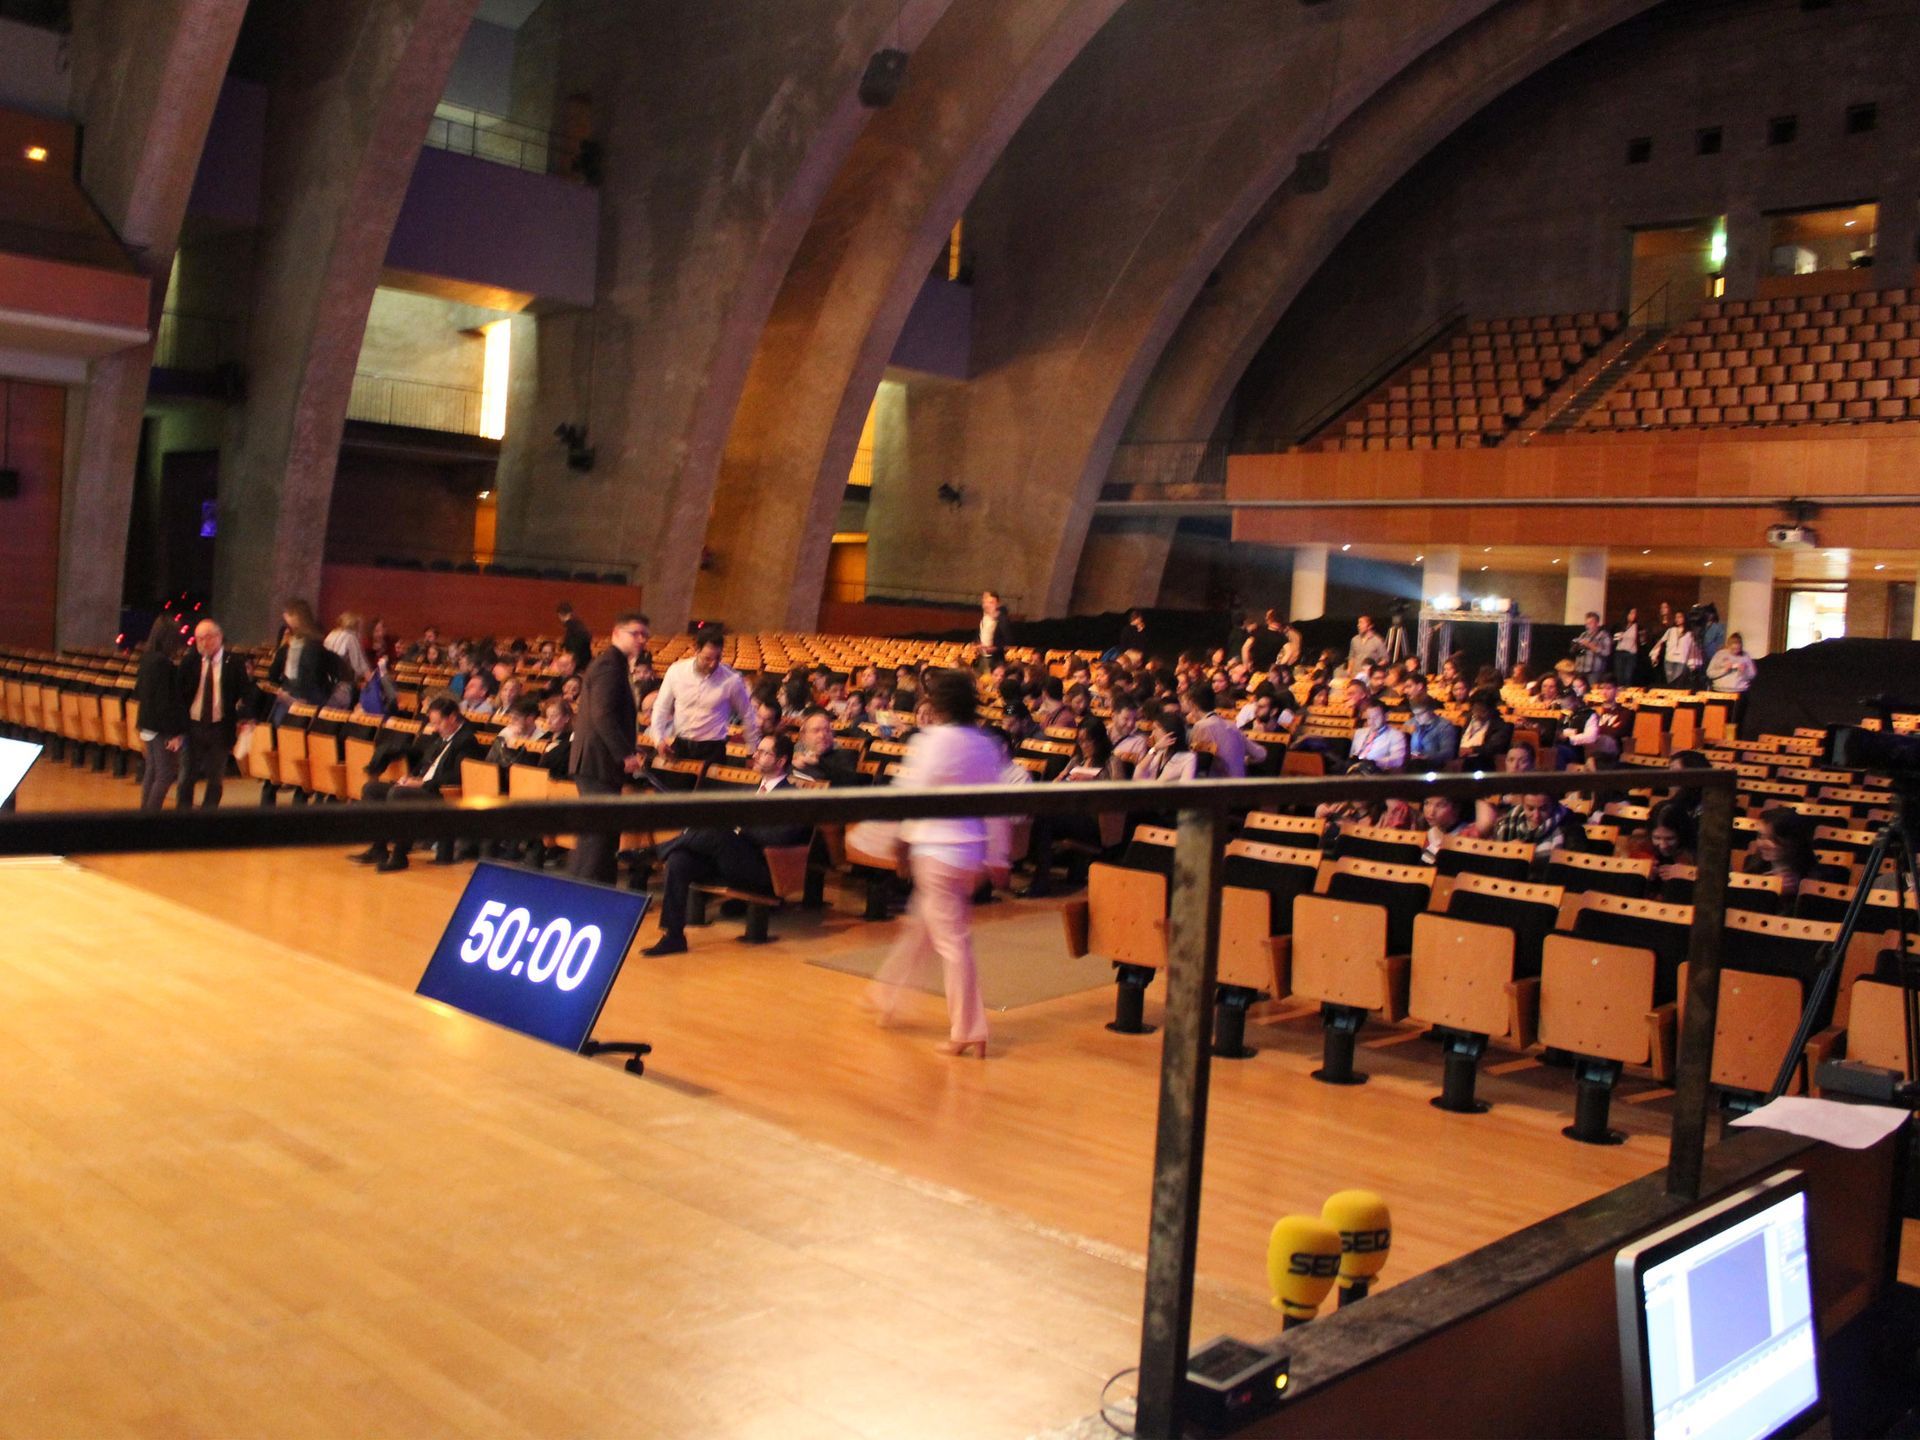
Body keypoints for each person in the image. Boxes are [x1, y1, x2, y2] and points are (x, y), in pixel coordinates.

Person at [867, 669, 1001, 1056]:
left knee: (951, 942)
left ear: (939, 704)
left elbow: (912, 795)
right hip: (968, 853)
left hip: (937, 850)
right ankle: (887, 997)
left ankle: (969, 1028)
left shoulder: (935, 742)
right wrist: (996, 855)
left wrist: (899, 840)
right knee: (924, 929)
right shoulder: (985, 744)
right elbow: (998, 804)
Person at [643, 734, 813, 955]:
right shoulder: (745, 792)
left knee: (717, 832)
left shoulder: (793, 799)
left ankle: (654, 853)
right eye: (757, 751)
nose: (756, 756)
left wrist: (740, 828)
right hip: (728, 861)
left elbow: (780, 837)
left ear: (781, 761)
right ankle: (673, 936)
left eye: (765, 753)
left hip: (764, 870)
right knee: (680, 860)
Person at [349, 697, 484, 872]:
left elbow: (457, 775)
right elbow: (425, 763)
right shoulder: (439, 737)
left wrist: (422, 783)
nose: (435, 727)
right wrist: (409, 778)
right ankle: (378, 848)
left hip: (439, 793)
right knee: (371, 789)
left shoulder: (466, 740)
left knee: (398, 794)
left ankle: (400, 855)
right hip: (422, 786)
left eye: (438, 722)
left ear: (452, 717)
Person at [569, 612, 650, 883]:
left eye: (644, 635)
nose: (641, 639)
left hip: (595, 762)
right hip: (598, 762)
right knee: (599, 838)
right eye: (635, 633)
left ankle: (583, 891)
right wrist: (625, 753)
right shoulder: (609, 666)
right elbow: (603, 715)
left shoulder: (613, 664)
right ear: (616, 633)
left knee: (595, 835)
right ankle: (591, 897)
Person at [176, 618, 257, 809]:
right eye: (199, 639)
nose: (203, 643)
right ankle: (181, 818)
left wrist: (245, 718)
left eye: (208, 638)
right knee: (186, 776)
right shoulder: (190, 661)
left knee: (215, 778)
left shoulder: (234, 662)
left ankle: (208, 817)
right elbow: (178, 694)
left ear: (219, 637)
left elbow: (246, 694)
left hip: (220, 728)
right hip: (193, 726)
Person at [650, 626, 757, 762]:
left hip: (713, 749)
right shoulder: (676, 672)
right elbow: (661, 707)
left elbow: (747, 714)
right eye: (707, 658)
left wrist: (751, 751)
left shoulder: (731, 680)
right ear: (696, 650)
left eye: (717, 658)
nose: (713, 664)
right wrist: (658, 739)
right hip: (681, 745)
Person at [132, 616, 189, 811]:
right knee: (164, 774)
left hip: (146, 721)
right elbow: (166, 702)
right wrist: (175, 732)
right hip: (160, 725)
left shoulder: (147, 659)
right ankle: (151, 817)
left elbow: (138, 691)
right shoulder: (164, 664)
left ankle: (144, 814)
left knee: (152, 770)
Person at [1181, 690, 1265, 778]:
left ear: (1193, 705)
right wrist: (1241, 760)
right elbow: (1261, 754)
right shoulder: (1232, 725)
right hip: (1240, 784)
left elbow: (1193, 762)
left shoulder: (1201, 726)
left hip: (1217, 786)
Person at [269, 600, 329, 716]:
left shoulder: (310, 644)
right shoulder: (300, 641)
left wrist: (300, 697)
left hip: (301, 697)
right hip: (291, 693)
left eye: (289, 614)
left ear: (297, 617)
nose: (285, 617)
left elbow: (312, 674)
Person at [1494, 791, 1582, 865]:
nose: (1536, 816)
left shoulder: (1570, 826)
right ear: (1523, 804)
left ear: (1553, 805)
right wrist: (1505, 850)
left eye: (1543, 809)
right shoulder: (1510, 821)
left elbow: (1573, 869)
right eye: (1530, 809)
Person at [794, 707, 859, 785]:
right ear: (803, 736)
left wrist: (819, 762)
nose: (822, 735)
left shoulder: (847, 755)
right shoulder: (798, 758)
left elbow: (849, 782)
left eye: (827, 730)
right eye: (816, 730)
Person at [1134, 707, 1200, 782]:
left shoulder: (1188, 757)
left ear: (1168, 732)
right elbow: (1137, 777)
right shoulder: (1157, 754)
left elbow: (1185, 787)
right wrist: (1154, 749)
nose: (1153, 734)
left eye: (1155, 729)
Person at [323, 612, 370, 706]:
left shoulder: (331, 635)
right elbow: (361, 667)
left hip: (324, 686)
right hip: (341, 688)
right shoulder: (351, 638)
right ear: (355, 626)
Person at [1456, 688, 1512, 767]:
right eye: (1475, 709)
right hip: (1460, 757)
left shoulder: (1501, 725)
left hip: (1481, 762)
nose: (1478, 714)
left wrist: (1472, 750)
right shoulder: (1469, 718)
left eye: (1482, 711)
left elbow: (1493, 747)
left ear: (1491, 710)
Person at [1348, 697, 1408, 771]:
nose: (1372, 722)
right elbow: (1352, 756)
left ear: (1385, 716)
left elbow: (1398, 761)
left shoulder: (1396, 735)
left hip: (1376, 772)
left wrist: (1374, 762)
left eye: (1376, 717)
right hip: (1355, 769)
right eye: (1369, 718)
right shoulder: (1359, 733)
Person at [1407, 691, 1459, 768]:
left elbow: (1448, 753)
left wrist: (1426, 757)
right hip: (1412, 765)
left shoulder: (1444, 726)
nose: (1417, 718)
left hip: (1434, 767)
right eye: (1415, 714)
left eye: (1421, 714)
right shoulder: (1410, 723)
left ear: (1431, 710)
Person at [976, 590, 1013, 670]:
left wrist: (995, 648)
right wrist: (978, 644)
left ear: (997, 604)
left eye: (991, 602)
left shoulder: (1002, 619)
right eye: (985, 602)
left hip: (995, 660)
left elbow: (1008, 641)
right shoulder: (984, 618)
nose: (987, 605)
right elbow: (980, 635)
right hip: (982, 657)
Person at [1571, 611, 1612, 680]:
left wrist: (1590, 645)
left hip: (1594, 672)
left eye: (1590, 623)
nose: (1588, 626)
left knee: (1592, 690)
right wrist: (1576, 646)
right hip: (1580, 669)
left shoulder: (1604, 635)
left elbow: (1607, 653)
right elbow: (1574, 651)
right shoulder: (1583, 634)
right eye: (1586, 624)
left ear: (1597, 623)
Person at [556, 601, 594, 673]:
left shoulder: (572, 627)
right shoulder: (579, 625)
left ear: (560, 615)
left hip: (578, 663)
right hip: (584, 661)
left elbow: (573, 647)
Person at [1613, 607, 1642, 687]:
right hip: (1620, 652)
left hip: (1631, 654)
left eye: (1635, 613)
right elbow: (1614, 639)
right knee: (1619, 676)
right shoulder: (1619, 625)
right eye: (1631, 613)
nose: (1633, 615)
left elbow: (1640, 640)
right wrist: (1618, 637)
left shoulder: (1637, 626)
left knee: (1628, 676)